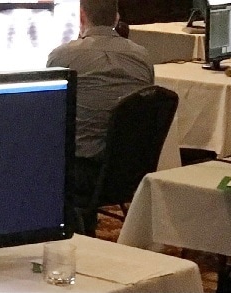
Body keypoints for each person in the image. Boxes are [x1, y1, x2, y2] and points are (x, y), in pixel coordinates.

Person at [46, 0, 153, 236]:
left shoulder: (63, 56)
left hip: (81, 173)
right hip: (130, 171)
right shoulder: (143, 57)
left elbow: (50, 119)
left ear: (81, 16)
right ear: (116, 18)